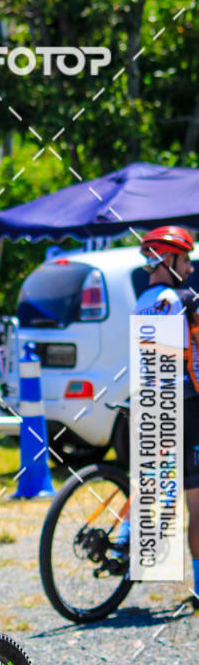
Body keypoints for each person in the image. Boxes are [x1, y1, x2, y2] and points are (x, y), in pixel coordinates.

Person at [133, 226, 199, 603]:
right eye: (186, 259)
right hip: (186, 409)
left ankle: (129, 536)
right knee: (196, 504)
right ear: (168, 259)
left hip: (151, 408)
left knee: (155, 487)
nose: (190, 268)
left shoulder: (141, 300)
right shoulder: (181, 300)